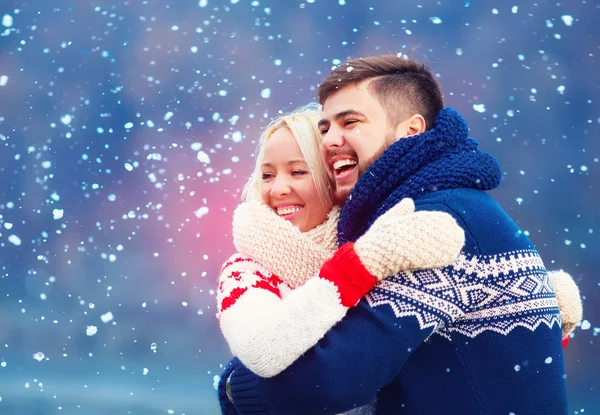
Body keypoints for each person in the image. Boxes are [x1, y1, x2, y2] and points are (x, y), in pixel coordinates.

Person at [218, 55, 583, 415]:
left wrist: (237, 387)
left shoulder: (432, 226)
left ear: (411, 130)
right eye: (326, 127)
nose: (330, 140)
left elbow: (335, 379)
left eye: (351, 122)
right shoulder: (457, 207)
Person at [216, 105, 466, 414]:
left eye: (298, 171)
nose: (278, 188)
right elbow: (262, 349)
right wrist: (360, 264)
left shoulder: (377, 238)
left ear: (332, 180)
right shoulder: (245, 271)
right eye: (267, 175)